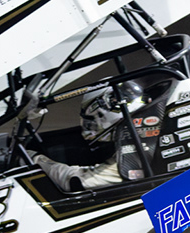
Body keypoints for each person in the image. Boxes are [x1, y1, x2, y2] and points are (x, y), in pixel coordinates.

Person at [30, 80, 158, 194]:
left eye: (91, 123)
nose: (87, 131)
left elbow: (76, 182)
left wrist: (36, 159)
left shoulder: (135, 155)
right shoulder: (152, 126)